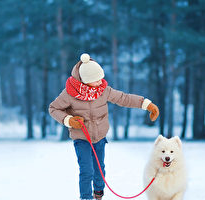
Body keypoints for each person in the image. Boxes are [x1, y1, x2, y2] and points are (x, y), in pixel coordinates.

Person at [49, 53, 159, 200]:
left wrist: (147, 105)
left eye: (100, 78)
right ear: (85, 81)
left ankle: (98, 193)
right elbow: (53, 108)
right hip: (82, 139)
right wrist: (68, 120)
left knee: (99, 171)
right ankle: (86, 197)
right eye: (96, 80)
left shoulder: (103, 90)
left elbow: (123, 98)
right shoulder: (70, 93)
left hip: (100, 138)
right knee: (86, 170)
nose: (100, 82)